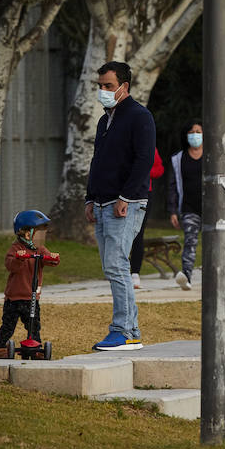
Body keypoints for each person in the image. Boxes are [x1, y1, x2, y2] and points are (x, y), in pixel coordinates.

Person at [84, 60, 154, 352]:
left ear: (124, 87)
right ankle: (132, 331)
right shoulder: (104, 120)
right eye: (100, 86)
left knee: (116, 265)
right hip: (101, 202)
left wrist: (125, 198)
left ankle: (122, 331)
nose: (103, 91)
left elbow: (144, 160)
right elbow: (97, 161)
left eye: (108, 86)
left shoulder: (140, 117)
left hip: (125, 203)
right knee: (113, 266)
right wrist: (90, 197)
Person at [1, 210, 60, 348]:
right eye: (40, 233)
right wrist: (19, 258)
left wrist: (53, 259)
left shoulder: (40, 249)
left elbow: (48, 259)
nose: (42, 237)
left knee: (34, 326)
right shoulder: (15, 248)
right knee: (8, 325)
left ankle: (36, 346)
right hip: (14, 298)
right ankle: (0, 347)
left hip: (31, 298)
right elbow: (11, 266)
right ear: (28, 234)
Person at [167, 120, 205, 291]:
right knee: (190, 240)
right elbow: (173, 185)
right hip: (189, 207)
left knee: (214, 243)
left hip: (211, 208)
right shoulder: (178, 159)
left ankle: (214, 274)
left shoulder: (213, 156)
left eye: (198, 131)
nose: (195, 135)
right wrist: (173, 210)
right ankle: (186, 277)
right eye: (192, 132)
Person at [128, 145, 164, 290]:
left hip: (143, 193)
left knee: (138, 232)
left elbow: (159, 169)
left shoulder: (149, 146)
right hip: (121, 193)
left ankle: (135, 272)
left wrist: (143, 171)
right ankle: (120, 270)